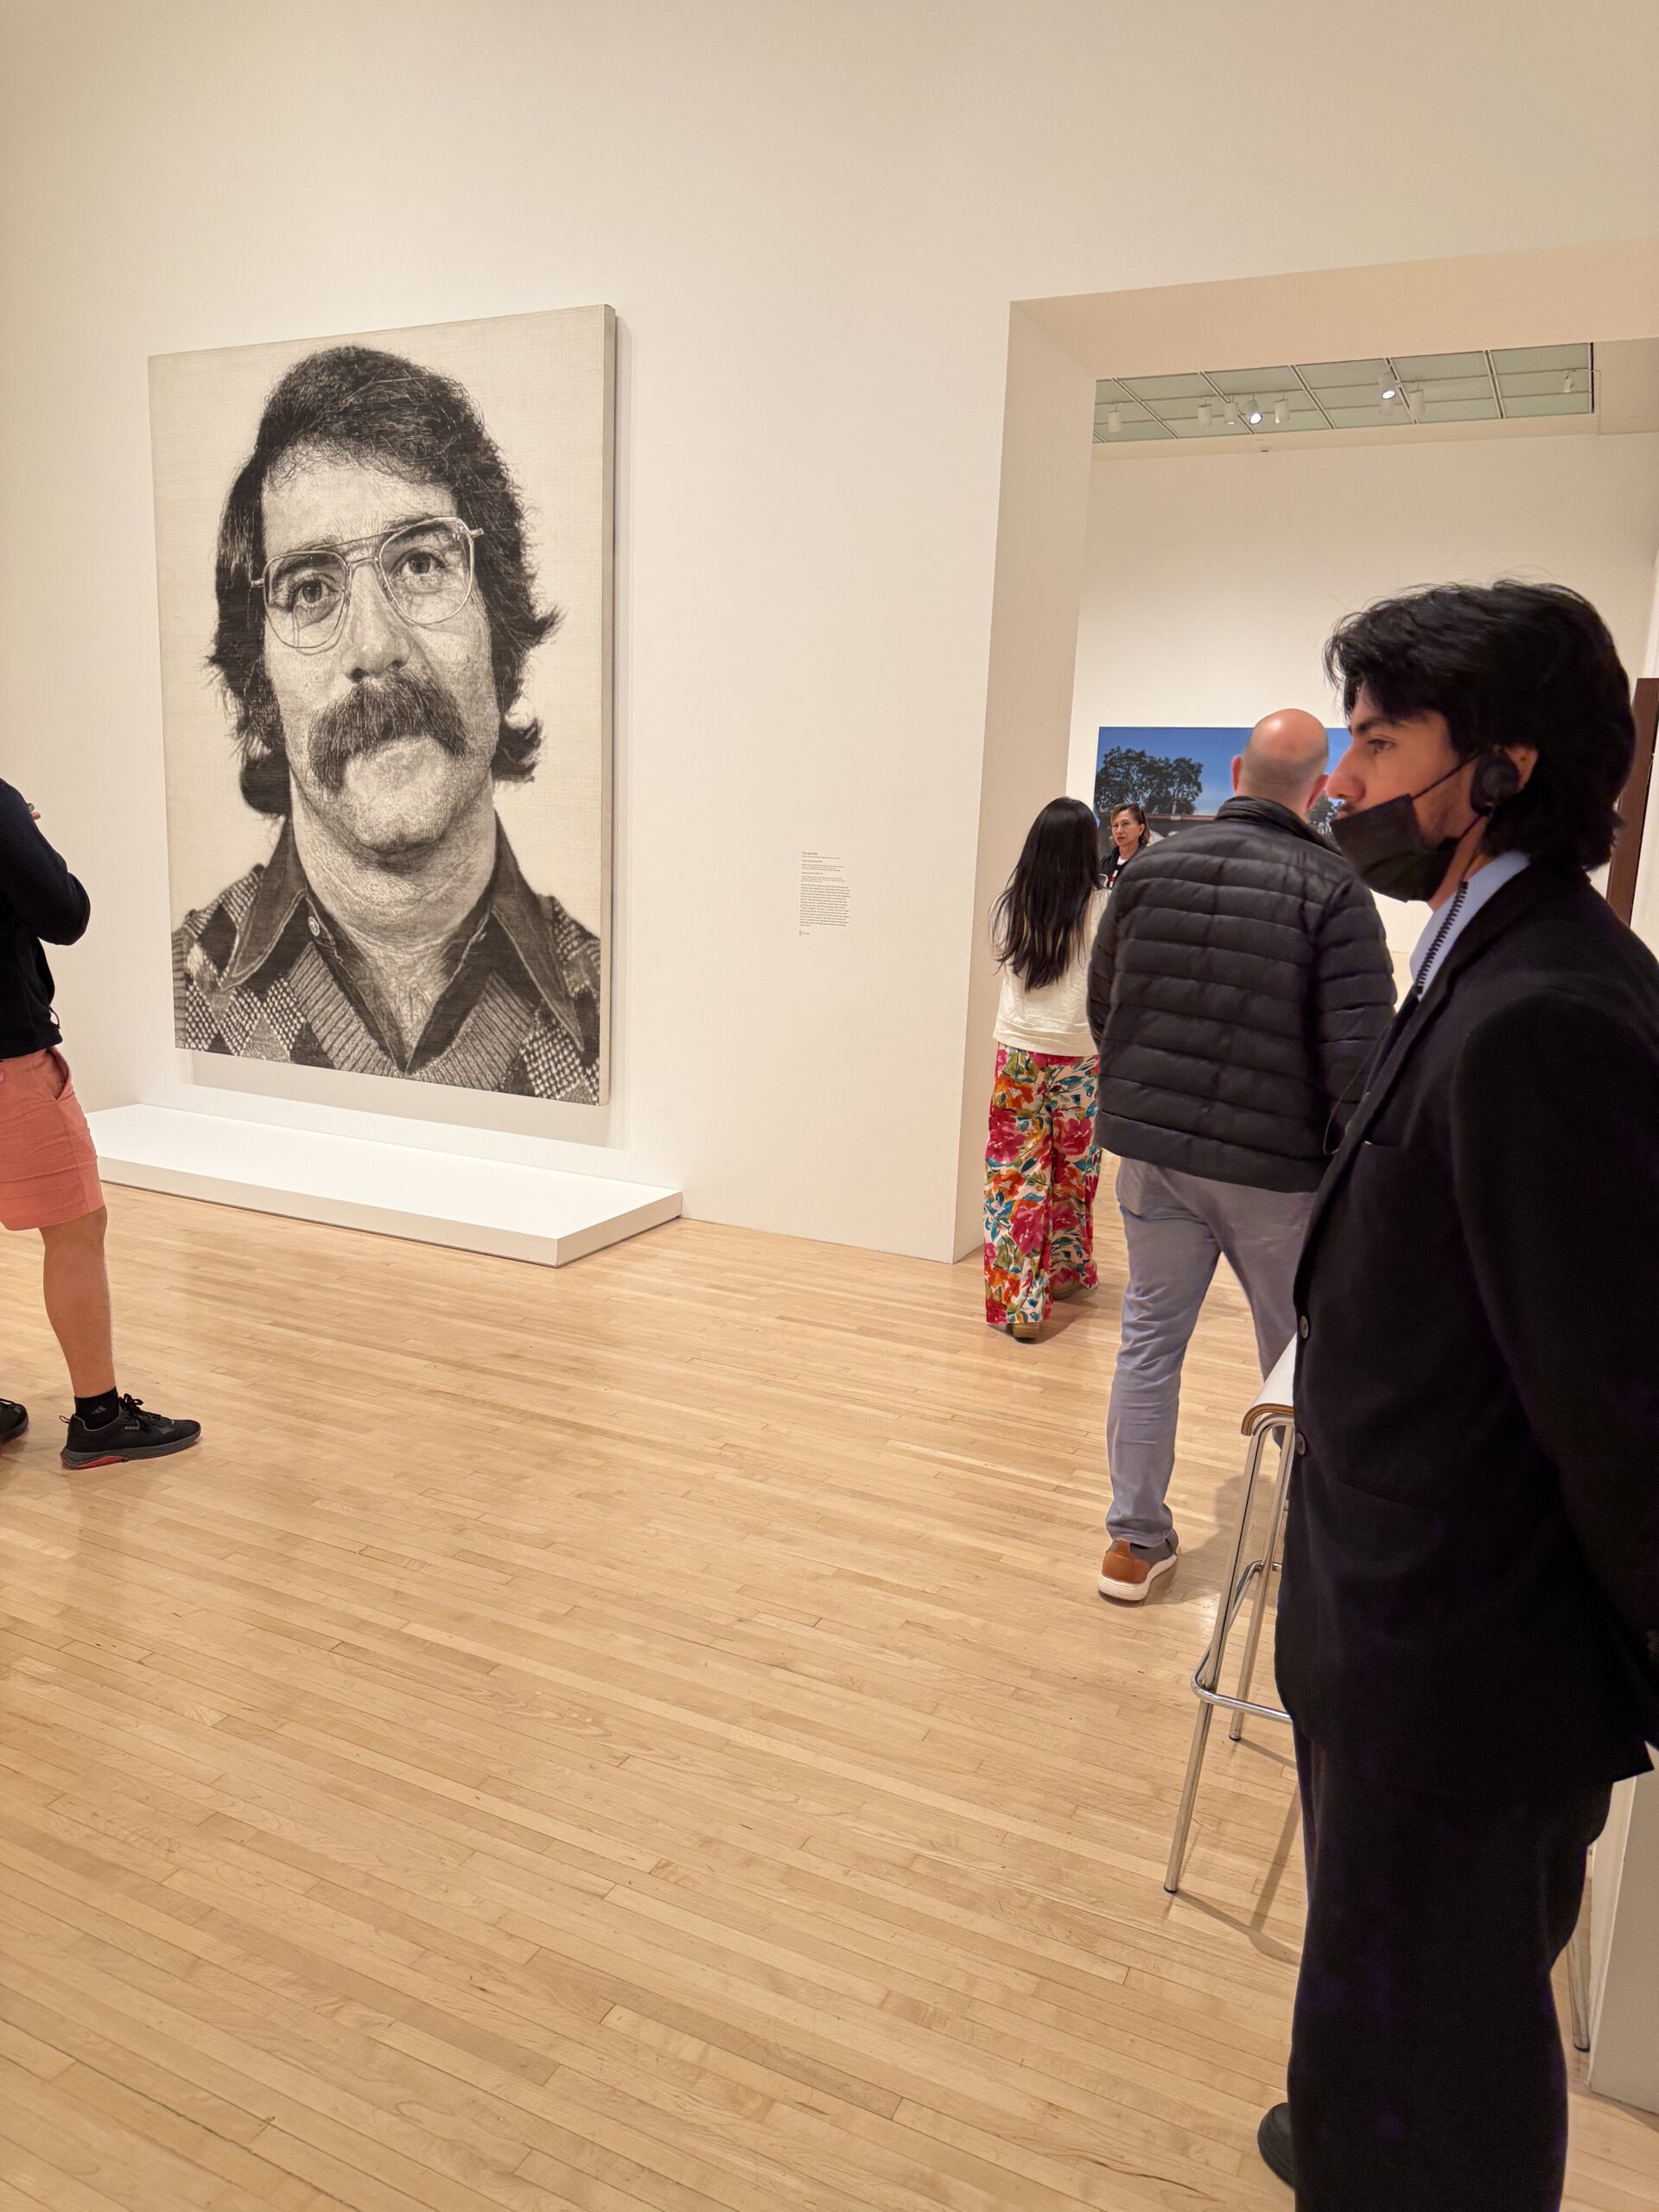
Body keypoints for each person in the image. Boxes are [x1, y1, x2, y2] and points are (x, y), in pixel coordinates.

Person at [1258, 583, 1659, 2211]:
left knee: (1450, 2058)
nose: (1344, 779)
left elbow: (1614, 1395)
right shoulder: (1486, 952)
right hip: (1401, 1627)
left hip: (1462, 1663)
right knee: (1387, 2011)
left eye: (1376, 738)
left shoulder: (1549, 1008)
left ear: (1501, 767)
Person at [174, 345, 601, 1103]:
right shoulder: (176, 997)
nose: (375, 648)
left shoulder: (620, 1015)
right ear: (260, 683)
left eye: (422, 564)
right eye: (310, 590)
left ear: (500, 631)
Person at [1088, 709, 1394, 1602]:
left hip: (1156, 1158)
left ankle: (1133, 1542)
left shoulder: (1148, 872)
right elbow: (1360, 1059)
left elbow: (1107, 1005)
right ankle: (1311, 1534)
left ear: (1235, 771)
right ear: (1318, 787)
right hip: (1278, 1173)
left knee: (1148, 1343)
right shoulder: (1335, 889)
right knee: (1298, 1358)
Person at [0, 779, 200, 1469]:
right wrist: (26, 836)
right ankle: (100, 1419)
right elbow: (64, 913)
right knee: (75, 1227)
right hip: (5, 1058)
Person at [984, 798, 1105, 1340]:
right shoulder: (1105, 906)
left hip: (1018, 1053)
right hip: (1080, 1056)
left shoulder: (1010, 906)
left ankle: (1020, 1305)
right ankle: (1064, 1272)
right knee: (1074, 1172)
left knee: (1014, 1176)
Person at [1102, 800, 1150, 889]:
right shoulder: (1104, 863)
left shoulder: (1149, 866)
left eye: (1125, 824)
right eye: (1115, 825)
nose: (1119, 831)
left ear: (1141, 829)